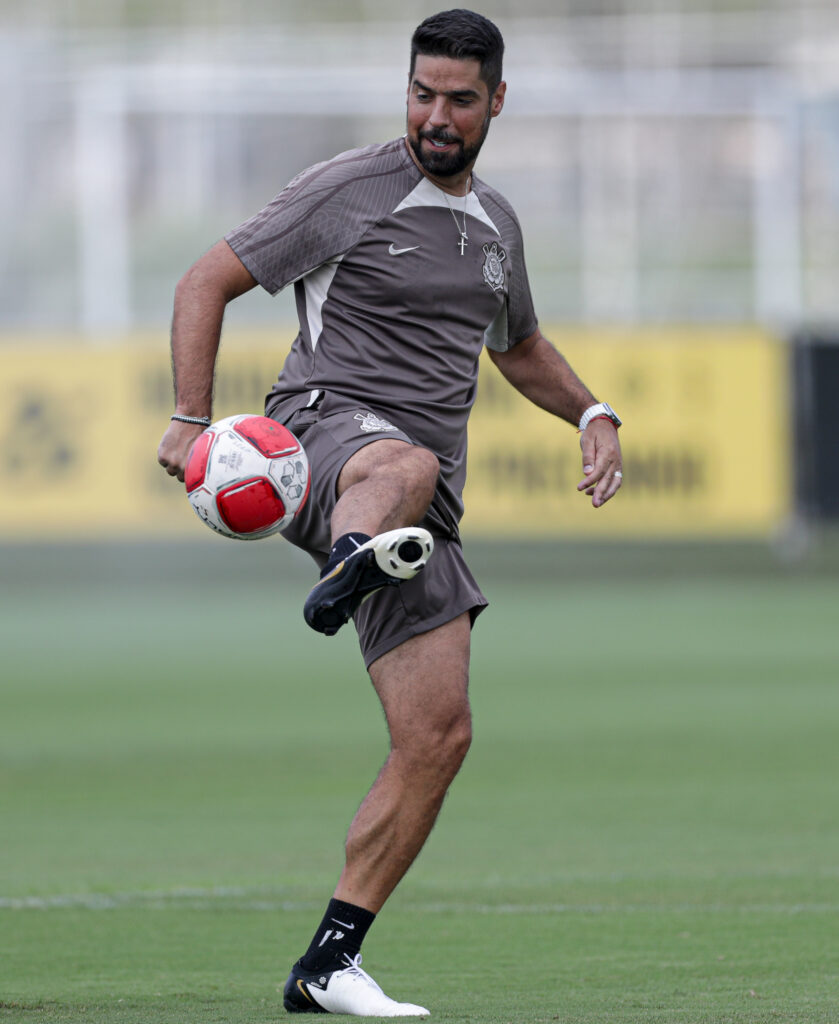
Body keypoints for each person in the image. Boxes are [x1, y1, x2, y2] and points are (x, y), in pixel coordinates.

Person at [158, 8, 623, 1016]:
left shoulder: (495, 225)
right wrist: (190, 417)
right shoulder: (348, 189)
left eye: (459, 99)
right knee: (402, 461)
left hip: (419, 508)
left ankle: (328, 962)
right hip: (317, 437)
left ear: (496, 101)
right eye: (421, 94)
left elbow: (516, 345)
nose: (435, 117)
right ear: (404, 91)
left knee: (437, 735)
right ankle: (355, 556)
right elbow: (206, 279)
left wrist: (591, 412)